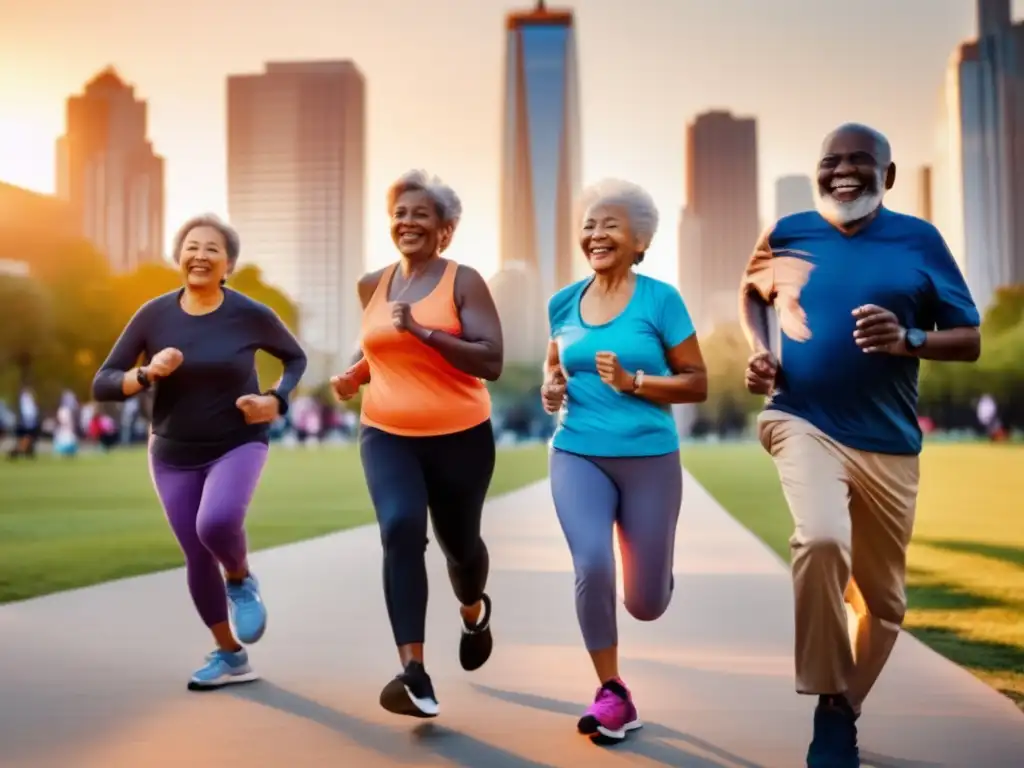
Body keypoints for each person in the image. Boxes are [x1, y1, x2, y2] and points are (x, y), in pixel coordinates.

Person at [740, 124, 981, 768]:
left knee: (884, 604)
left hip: (888, 443)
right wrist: (763, 352)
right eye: (830, 161)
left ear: (889, 175)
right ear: (816, 170)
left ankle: (843, 705)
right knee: (819, 538)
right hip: (801, 419)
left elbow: (970, 336)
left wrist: (910, 339)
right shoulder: (789, 231)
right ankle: (828, 703)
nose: (842, 171)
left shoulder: (919, 241)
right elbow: (752, 292)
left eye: (859, 161)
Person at [92, 214, 307, 691]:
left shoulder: (249, 313)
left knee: (216, 523)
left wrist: (275, 399)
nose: (200, 255)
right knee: (194, 552)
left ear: (228, 263)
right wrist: (147, 374)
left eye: (212, 248)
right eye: (192, 246)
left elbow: (295, 358)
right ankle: (230, 655)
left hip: (237, 442)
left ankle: (240, 578)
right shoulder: (154, 315)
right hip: (170, 450)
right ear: (179, 256)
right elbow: (104, 382)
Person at [330, 169, 503, 719]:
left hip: (461, 437)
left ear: (445, 231)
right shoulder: (371, 285)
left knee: (461, 548)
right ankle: (414, 674)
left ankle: (473, 611)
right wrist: (355, 376)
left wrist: (425, 332)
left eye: (420, 215)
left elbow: (491, 359)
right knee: (401, 527)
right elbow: (382, 351)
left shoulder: (464, 281)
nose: (407, 222)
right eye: (399, 214)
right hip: (386, 434)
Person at [541, 179, 708, 744]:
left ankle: (656, 575)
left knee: (645, 603)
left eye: (609, 224)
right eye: (589, 224)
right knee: (592, 563)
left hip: (649, 459)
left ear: (640, 241)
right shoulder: (562, 302)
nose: (595, 234)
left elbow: (697, 383)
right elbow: (556, 363)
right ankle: (612, 691)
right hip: (577, 452)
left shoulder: (661, 300)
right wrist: (550, 386)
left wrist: (637, 381)